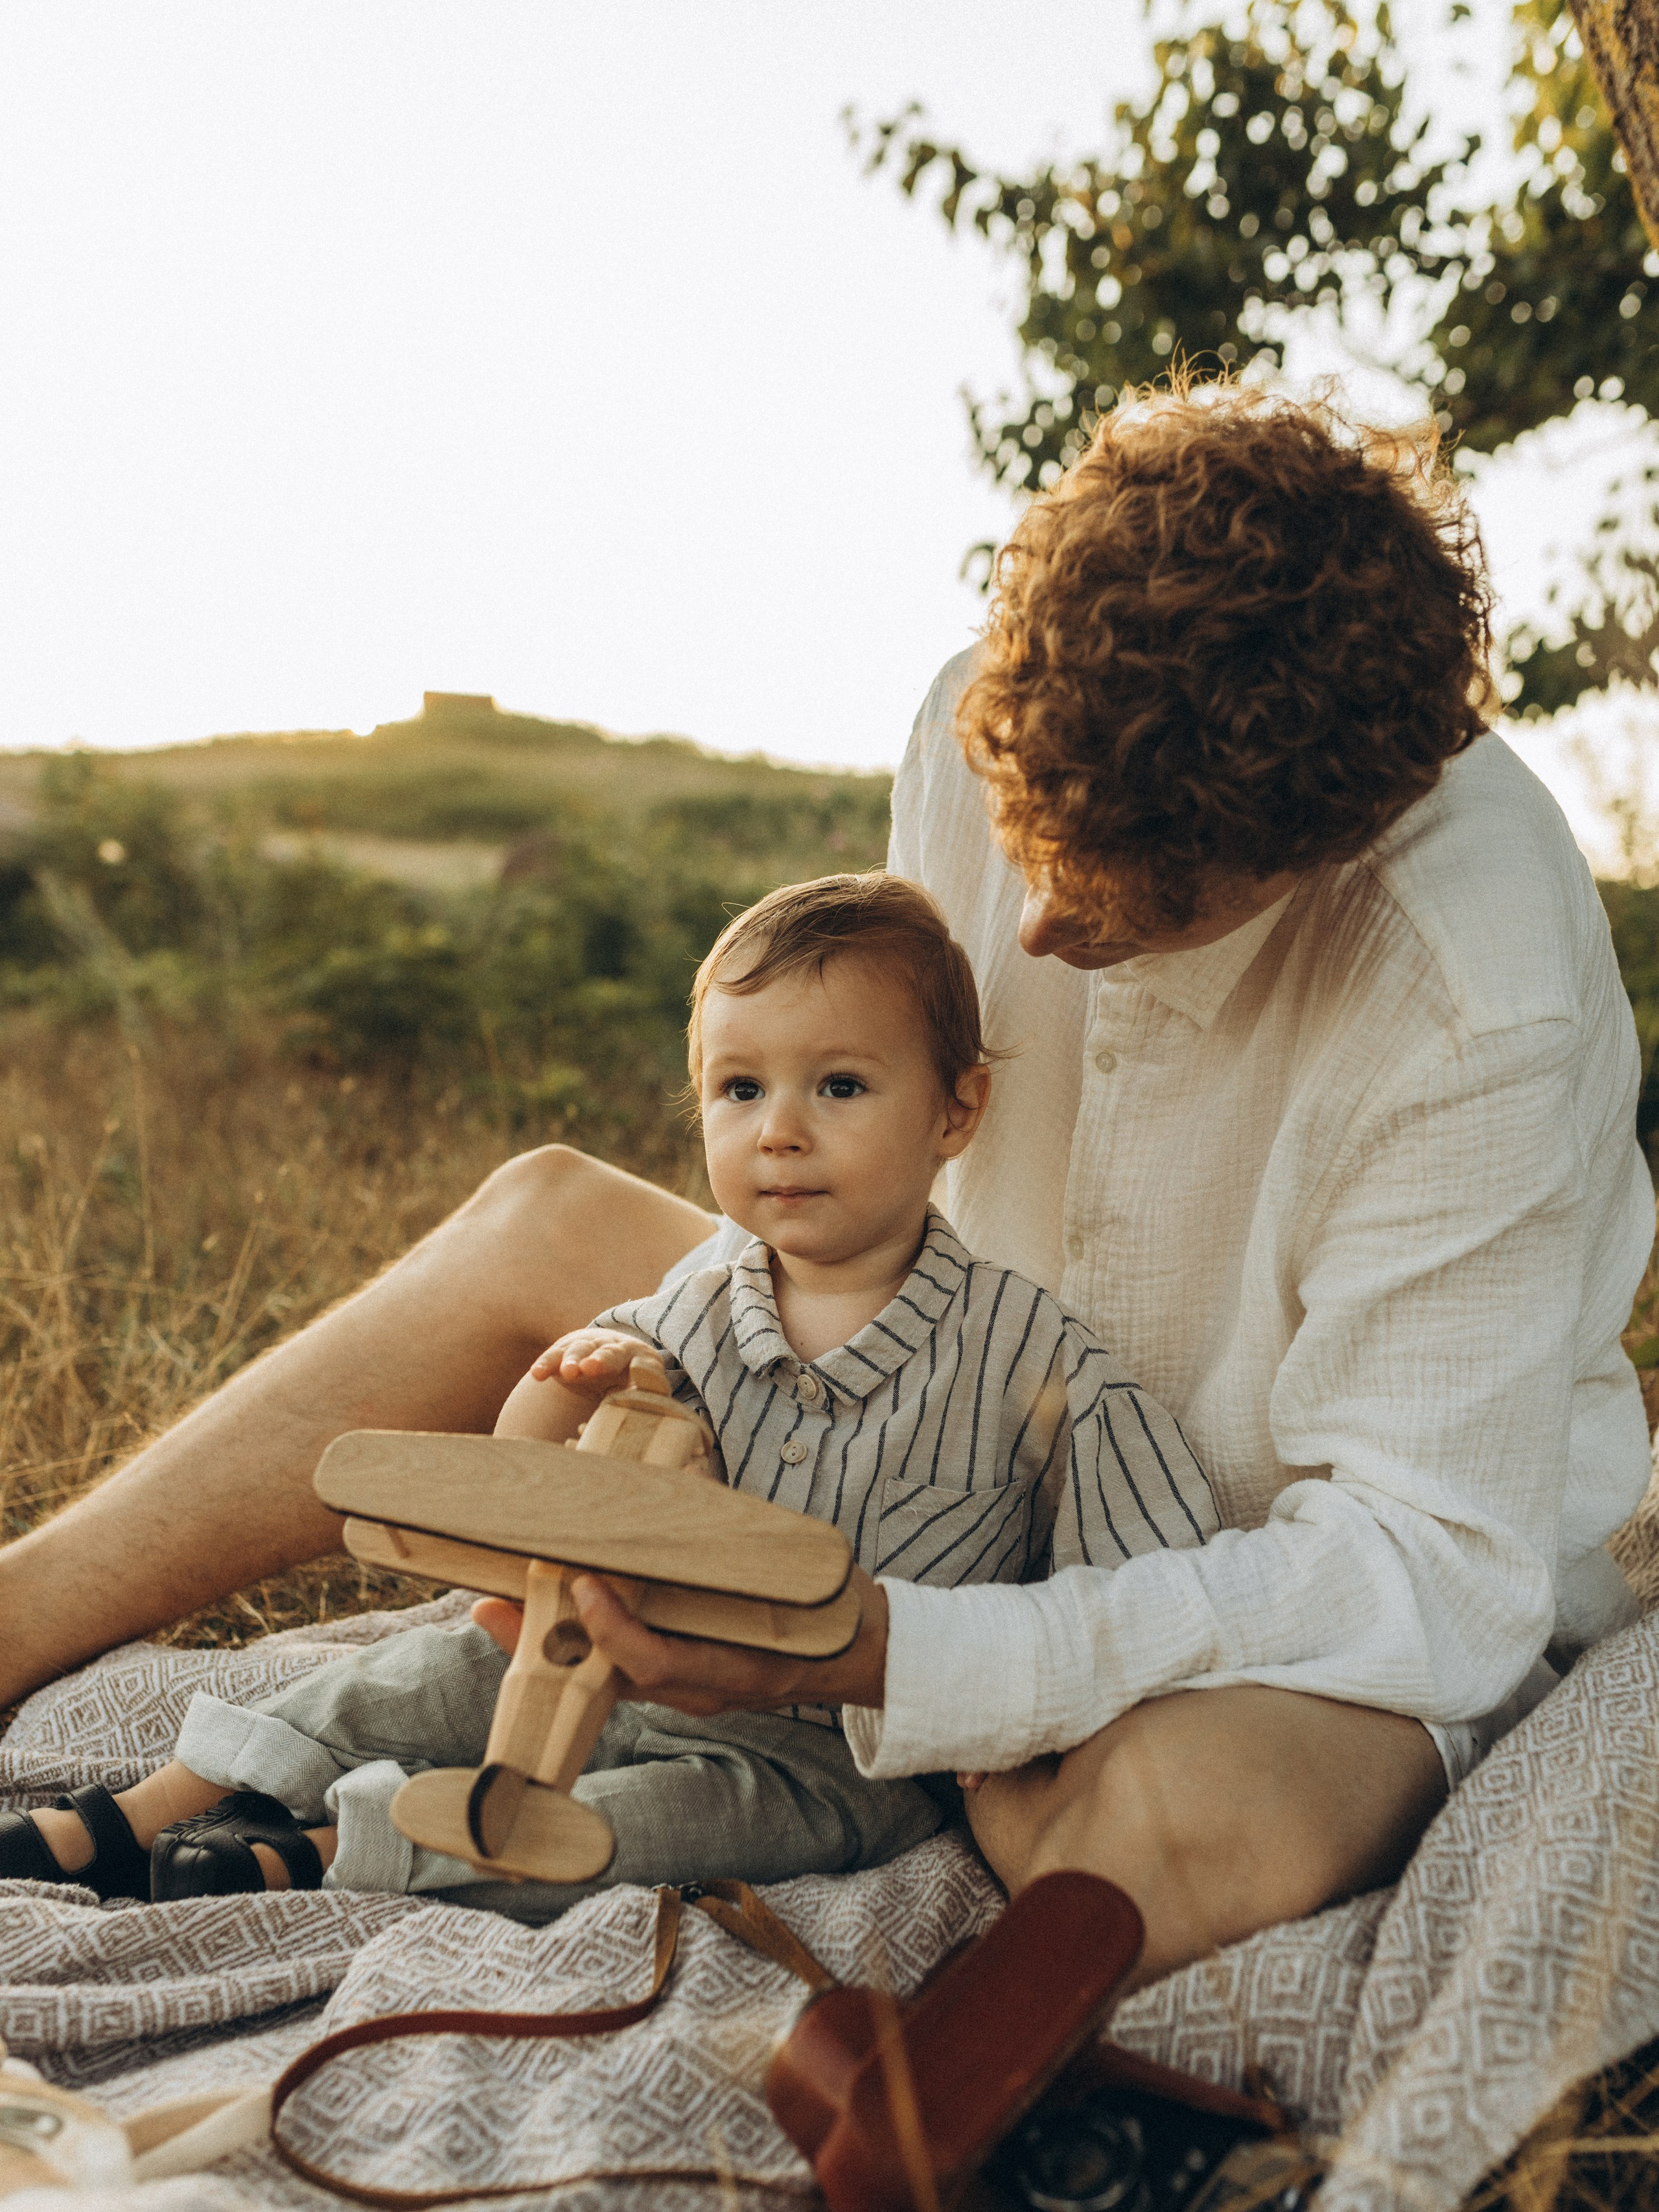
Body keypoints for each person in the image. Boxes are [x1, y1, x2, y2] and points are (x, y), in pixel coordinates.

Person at [2, 382, 1648, 1992]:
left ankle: (906, 1773)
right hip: (929, 1388)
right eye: (1030, 840)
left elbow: (1429, 1568)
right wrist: (728, 1383)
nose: (1035, 931)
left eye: (1139, 895)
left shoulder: (1471, 981)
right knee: (544, 1216)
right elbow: (886, 1122)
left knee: (1173, 1847)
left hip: (1257, 1570)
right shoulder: (973, 713)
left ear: (1321, 843)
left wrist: (900, 1654)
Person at [0, 877, 1214, 1913]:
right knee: (415, 1677)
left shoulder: (1041, 1363)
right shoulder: (685, 1310)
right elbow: (523, 1478)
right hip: (609, 1658)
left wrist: (1020, 1717)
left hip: (822, 1752)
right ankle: (149, 1810)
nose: (780, 1133)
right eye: (740, 1091)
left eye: (840, 1087)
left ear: (956, 1109)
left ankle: (317, 1853)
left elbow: (1142, 1583)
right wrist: (567, 1388)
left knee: (644, 1825)